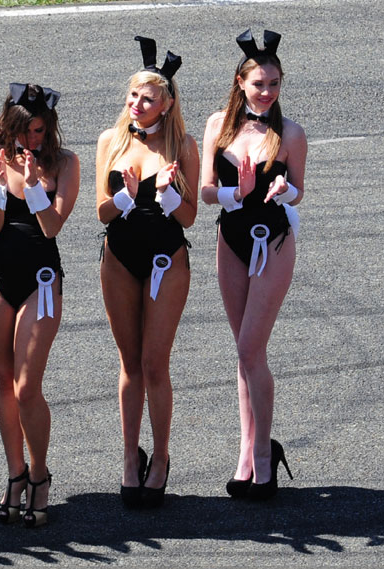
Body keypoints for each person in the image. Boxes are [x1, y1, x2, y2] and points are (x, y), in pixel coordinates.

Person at [200, 29, 306, 500]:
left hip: (274, 243)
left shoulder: (292, 133)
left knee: (249, 348)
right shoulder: (217, 125)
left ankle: (263, 451)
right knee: (244, 353)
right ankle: (247, 450)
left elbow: (299, 190)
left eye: (274, 84)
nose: (267, 92)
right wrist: (235, 193)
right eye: (259, 84)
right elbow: (206, 192)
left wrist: (285, 189)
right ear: (240, 82)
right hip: (231, 240)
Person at [96, 37, 199, 509]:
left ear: (167, 104)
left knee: (156, 364)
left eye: (148, 98)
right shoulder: (110, 141)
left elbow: (190, 217)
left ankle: (159, 458)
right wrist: (127, 195)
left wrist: (166, 196)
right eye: (133, 95)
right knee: (130, 364)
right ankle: (128, 457)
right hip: (118, 260)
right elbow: (101, 211)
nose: (136, 104)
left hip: (166, 262)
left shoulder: (183, 145)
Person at [0, 83, 79, 527]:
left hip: (41, 280)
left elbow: (52, 226)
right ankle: (15, 474)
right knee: (4, 382)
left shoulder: (66, 162)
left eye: (39, 130)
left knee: (26, 387)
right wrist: (1, 187)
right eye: (25, 131)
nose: (32, 139)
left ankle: (39, 473)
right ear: (9, 125)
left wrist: (35, 186)